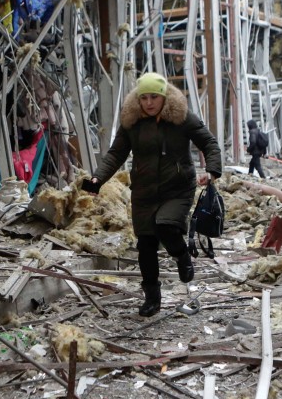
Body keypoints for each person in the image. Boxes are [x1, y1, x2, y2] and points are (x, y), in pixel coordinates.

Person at [89, 72, 222, 317]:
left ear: (164, 97)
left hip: (178, 188)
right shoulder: (132, 122)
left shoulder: (182, 118)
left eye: (154, 97)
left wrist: (212, 171)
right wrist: (97, 178)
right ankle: (152, 298)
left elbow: (209, 143)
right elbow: (115, 154)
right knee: (146, 245)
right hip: (144, 191)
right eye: (144, 98)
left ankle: (182, 256)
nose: (149, 103)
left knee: (166, 226)